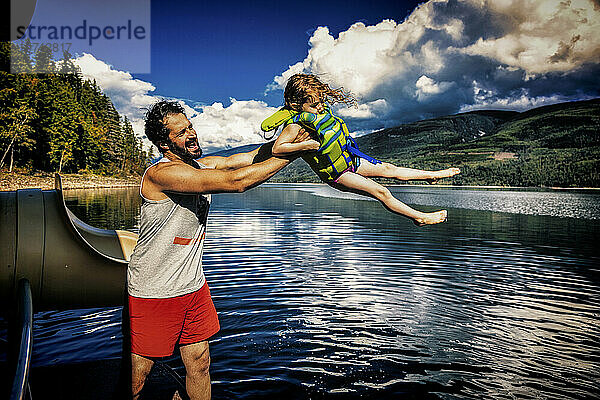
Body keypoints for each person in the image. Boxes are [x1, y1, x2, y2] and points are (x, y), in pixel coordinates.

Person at [127, 100, 310, 400]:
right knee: (139, 377)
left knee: (200, 363)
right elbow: (235, 182)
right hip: (154, 289)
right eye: (182, 132)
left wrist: (293, 135)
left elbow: (249, 157)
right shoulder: (162, 175)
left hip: (192, 286)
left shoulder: (201, 165)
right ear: (163, 143)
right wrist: (296, 155)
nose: (192, 133)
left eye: (190, 126)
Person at [261, 74, 461, 226]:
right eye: (314, 104)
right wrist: (306, 145)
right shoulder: (295, 125)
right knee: (381, 191)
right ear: (296, 104)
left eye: (322, 101)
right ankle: (420, 218)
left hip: (349, 159)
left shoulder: (319, 114)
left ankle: (430, 176)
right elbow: (278, 148)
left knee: (391, 169)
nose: (321, 107)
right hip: (338, 174)